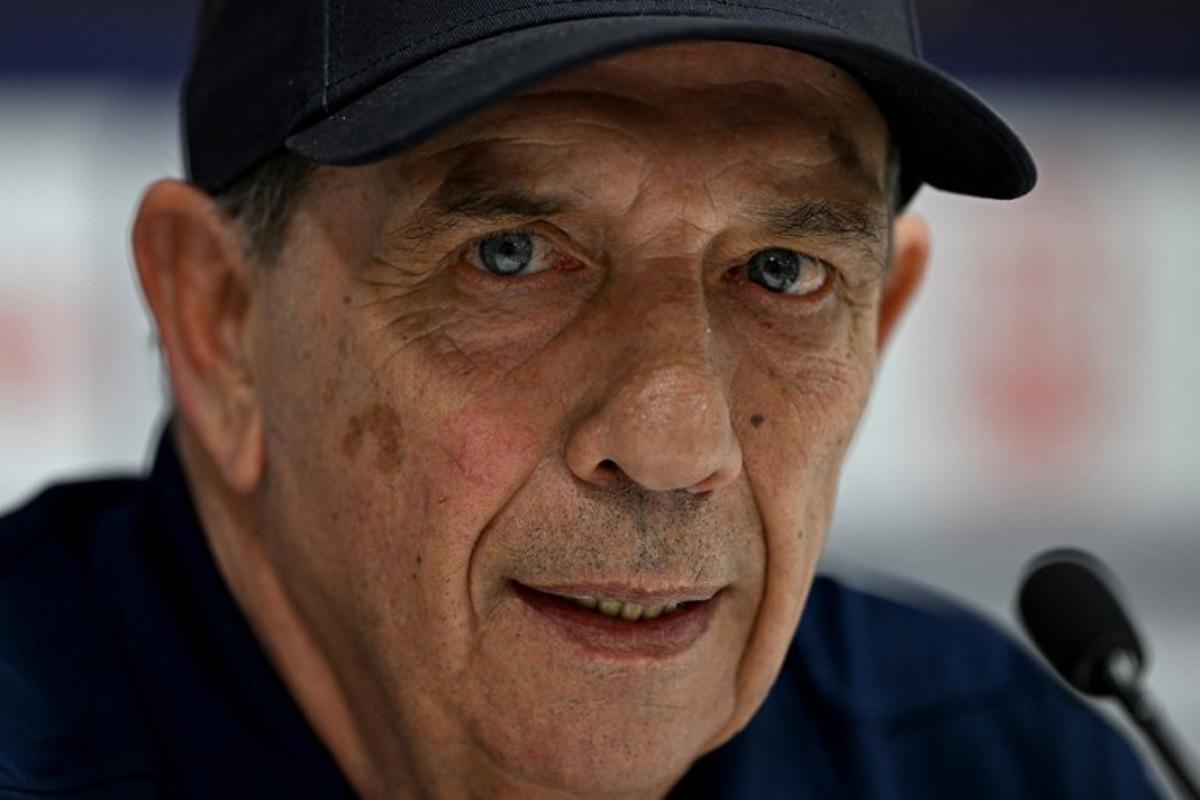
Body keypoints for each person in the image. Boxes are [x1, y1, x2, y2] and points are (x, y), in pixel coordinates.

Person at [0, 2, 1165, 798]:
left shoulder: (995, 766)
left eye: (782, 274)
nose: (672, 443)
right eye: (510, 254)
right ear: (220, 320)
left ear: (882, 322)